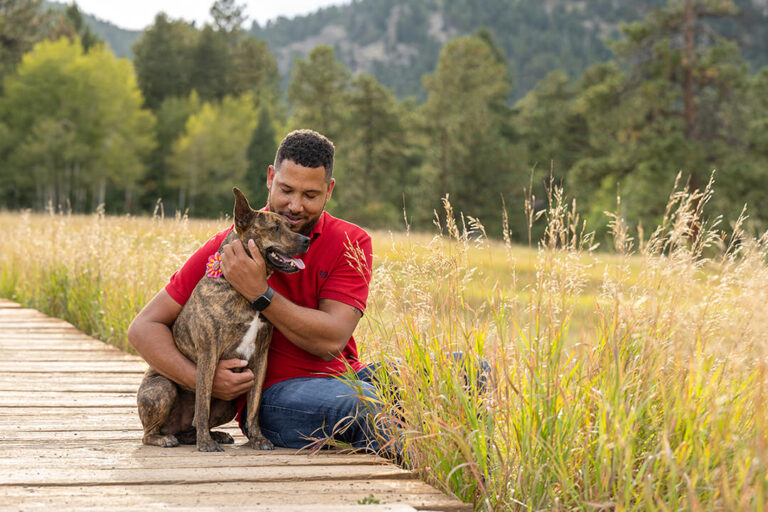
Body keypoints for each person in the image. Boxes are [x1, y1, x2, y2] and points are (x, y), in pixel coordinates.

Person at [127, 129, 384, 453]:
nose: (294, 206)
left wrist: (258, 292)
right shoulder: (226, 250)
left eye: (310, 195)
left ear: (329, 190)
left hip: (346, 377)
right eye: (286, 190)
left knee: (453, 372)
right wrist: (201, 379)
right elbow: (142, 328)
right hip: (275, 395)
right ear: (270, 177)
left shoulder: (350, 242)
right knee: (365, 405)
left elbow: (331, 340)